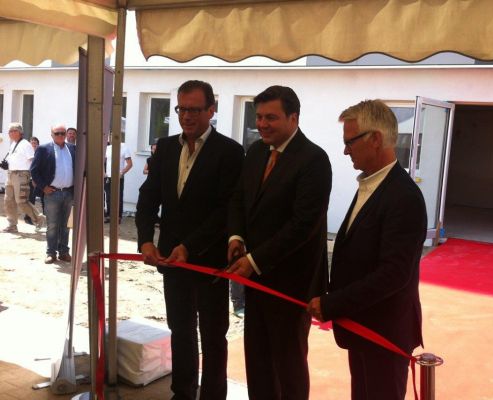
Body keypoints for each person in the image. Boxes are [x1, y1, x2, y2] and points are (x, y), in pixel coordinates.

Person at [306, 100, 427, 400]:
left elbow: (393, 274)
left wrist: (333, 303)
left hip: (383, 331)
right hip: (362, 324)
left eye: (350, 142)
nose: (345, 151)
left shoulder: (404, 197)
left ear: (375, 139)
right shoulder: (372, 185)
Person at [136, 80, 244, 400]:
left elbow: (226, 210)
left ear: (212, 110)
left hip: (209, 262)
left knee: (213, 336)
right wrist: (145, 240)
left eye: (194, 109)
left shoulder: (229, 152)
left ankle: (213, 395)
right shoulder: (166, 147)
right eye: (181, 109)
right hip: (172, 260)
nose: (186, 116)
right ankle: (182, 393)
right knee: (180, 330)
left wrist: (191, 246)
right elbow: (148, 196)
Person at [227, 85, 332, 400]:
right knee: (258, 361)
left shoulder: (314, 160)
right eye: (258, 117)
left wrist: (254, 260)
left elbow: (303, 226)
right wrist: (236, 237)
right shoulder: (256, 152)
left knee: (288, 366)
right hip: (255, 281)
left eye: (270, 117)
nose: (262, 124)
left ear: (293, 118)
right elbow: (239, 198)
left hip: (291, 285)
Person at [31, 124, 76, 264]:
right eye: (57, 133)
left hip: (69, 193)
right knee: (52, 225)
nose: (61, 135)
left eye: (63, 133)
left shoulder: (73, 149)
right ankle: (51, 253)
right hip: (52, 193)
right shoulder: (43, 149)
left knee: (66, 225)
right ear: (52, 135)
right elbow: (34, 171)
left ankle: (64, 252)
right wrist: (43, 187)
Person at [2, 123, 46, 233]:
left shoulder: (25, 144)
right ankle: (12, 225)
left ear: (19, 132)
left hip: (21, 175)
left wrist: (34, 177)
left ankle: (39, 218)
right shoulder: (13, 144)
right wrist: (6, 165)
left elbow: (32, 161)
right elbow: (16, 159)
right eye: (9, 131)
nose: (10, 133)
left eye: (13, 131)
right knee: (8, 200)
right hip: (11, 174)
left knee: (21, 201)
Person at [104, 137, 132, 223]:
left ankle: (118, 217)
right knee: (108, 197)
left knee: (118, 197)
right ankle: (109, 215)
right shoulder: (107, 148)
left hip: (118, 177)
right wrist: (103, 173)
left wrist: (122, 172)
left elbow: (130, 164)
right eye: (111, 137)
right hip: (108, 177)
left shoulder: (124, 148)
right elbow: (103, 161)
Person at [24, 136, 44, 224]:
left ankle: (46, 217)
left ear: (38, 144)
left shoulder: (41, 153)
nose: (33, 144)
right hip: (30, 179)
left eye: (35, 143)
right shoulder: (26, 154)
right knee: (30, 199)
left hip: (40, 179)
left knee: (44, 199)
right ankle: (28, 218)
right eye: (32, 143)